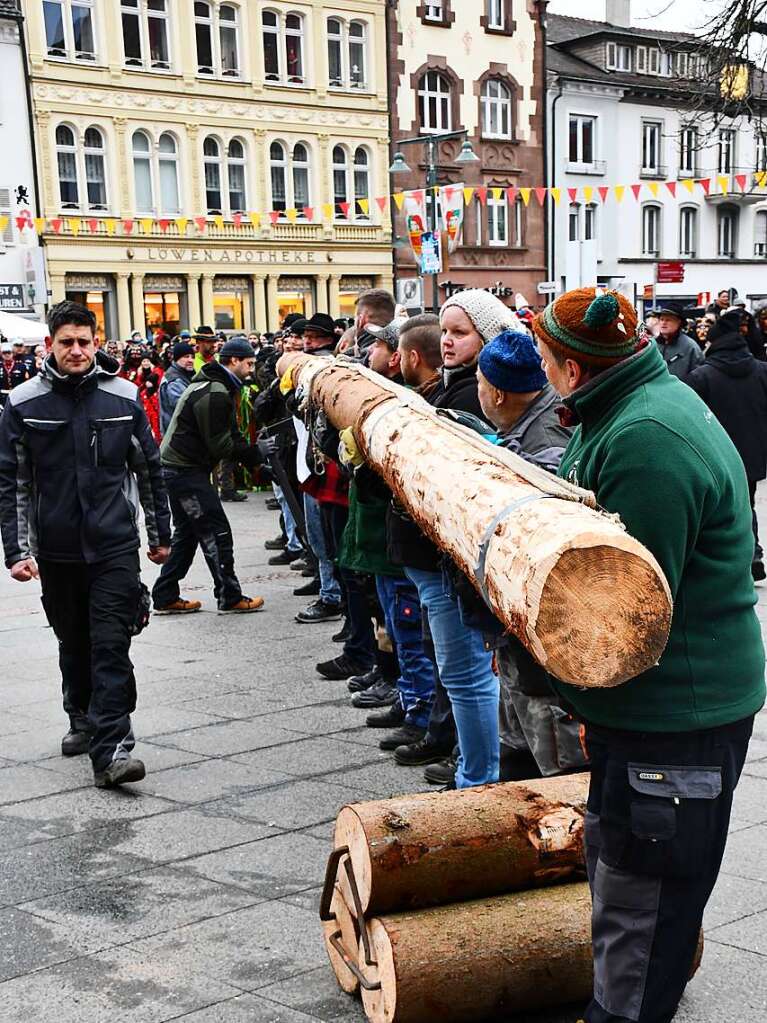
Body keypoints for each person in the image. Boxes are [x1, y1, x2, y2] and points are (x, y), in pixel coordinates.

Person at [533, 286, 765, 1023]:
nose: (541, 371)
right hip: (656, 709)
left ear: (570, 368)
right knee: (630, 883)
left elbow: (619, 616)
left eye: (544, 359)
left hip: (672, 714)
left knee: (642, 906)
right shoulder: (632, 403)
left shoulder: (643, 440)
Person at [0, 301, 172, 787]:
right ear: (49, 346)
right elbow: (11, 480)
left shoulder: (123, 396)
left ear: (96, 343)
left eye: (83, 341)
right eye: (66, 343)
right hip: (56, 551)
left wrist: (160, 537)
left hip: (114, 545)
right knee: (73, 641)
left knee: (112, 645)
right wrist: (17, 552)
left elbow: (149, 469)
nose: (76, 351)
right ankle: (81, 714)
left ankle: (113, 749)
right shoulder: (23, 403)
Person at [475, 328, 586, 779]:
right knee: (518, 742)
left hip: (541, 625)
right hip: (516, 626)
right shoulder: (523, 426)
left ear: (498, 393)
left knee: (552, 757)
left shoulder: (544, 439)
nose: (476, 392)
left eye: (480, 384)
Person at [152, 337, 269, 615]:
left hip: (179, 470)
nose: (252, 369)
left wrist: (254, 459)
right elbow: (222, 444)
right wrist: (255, 453)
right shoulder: (215, 391)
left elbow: (229, 434)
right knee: (216, 531)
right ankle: (229, 595)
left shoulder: (217, 385)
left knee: (189, 533)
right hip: (184, 473)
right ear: (234, 361)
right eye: (249, 363)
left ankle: (165, 595)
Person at [686, 309, 767, 581]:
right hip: (753, 452)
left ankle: (731, 558)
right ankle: (752, 552)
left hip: (715, 454)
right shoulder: (762, 372)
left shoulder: (701, 377)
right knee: (747, 503)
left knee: (719, 508)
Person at [655, 307, 704, 380]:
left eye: (668, 320)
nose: (663, 323)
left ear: (679, 322)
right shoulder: (652, 344)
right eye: (661, 319)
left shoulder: (691, 347)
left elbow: (698, 377)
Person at [159, 341, 195, 434]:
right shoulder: (174, 380)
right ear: (177, 359)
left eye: (192, 357)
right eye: (186, 357)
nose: (191, 360)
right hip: (177, 435)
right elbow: (184, 408)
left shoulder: (186, 374)